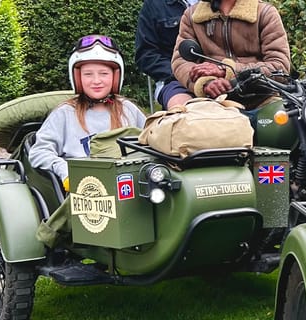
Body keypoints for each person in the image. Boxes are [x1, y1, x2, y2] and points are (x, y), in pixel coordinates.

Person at [31, 35, 147, 248]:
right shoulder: (65, 113)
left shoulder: (129, 110)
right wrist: (64, 170)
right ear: (77, 77)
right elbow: (39, 152)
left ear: (116, 76)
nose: (96, 80)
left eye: (104, 73)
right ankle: (55, 233)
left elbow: (150, 141)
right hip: (87, 191)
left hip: (128, 187)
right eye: (88, 74)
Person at [170, 0, 290, 105]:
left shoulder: (264, 13)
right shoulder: (192, 16)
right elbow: (181, 62)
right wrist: (206, 83)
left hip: (261, 98)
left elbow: (279, 67)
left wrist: (227, 70)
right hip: (212, 102)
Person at [135, 0, 199, 110]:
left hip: (218, 74)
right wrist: (181, 72)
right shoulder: (154, 4)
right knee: (185, 112)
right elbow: (146, 55)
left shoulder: (222, 3)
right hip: (173, 81)